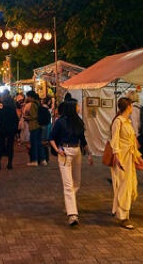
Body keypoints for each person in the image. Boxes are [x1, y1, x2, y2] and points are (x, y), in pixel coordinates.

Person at [49, 95, 93, 226]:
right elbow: (51, 137)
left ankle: (69, 204)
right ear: (72, 108)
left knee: (77, 182)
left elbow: (83, 138)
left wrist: (89, 153)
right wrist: (58, 150)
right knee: (68, 184)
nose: (79, 107)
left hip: (77, 152)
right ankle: (72, 214)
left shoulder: (78, 121)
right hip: (65, 152)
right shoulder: (60, 122)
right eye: (77, 106)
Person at [110, 97, 143, 229]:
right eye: (131, 106)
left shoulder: (127, 122)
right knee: (123, 185)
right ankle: (123, 216)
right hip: (122, 159)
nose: (132, 108)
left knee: (129, 184)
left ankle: (120, 210)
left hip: (129, 157)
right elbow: (115, 140)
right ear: (127, 107)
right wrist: (117, 157)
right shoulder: (118, 122)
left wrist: (138, 157)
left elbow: (132, 142)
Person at [0, 93, 19, 170]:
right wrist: (15, 130)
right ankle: (9, 163)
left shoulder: (0, 111)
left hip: (1, 131)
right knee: (10, 146)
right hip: (10, 131)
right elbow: (16, 121)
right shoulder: (13, 111)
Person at [24, 90, 47, 166]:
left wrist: (27, 117)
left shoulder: (33, 104)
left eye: (28, 97)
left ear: (30, 97)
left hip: (34, 126)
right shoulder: (39, 103)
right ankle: (43, 159)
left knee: (34, 143)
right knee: (39, 143)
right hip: (40, 125)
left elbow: (34, 116)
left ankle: (34, 160)